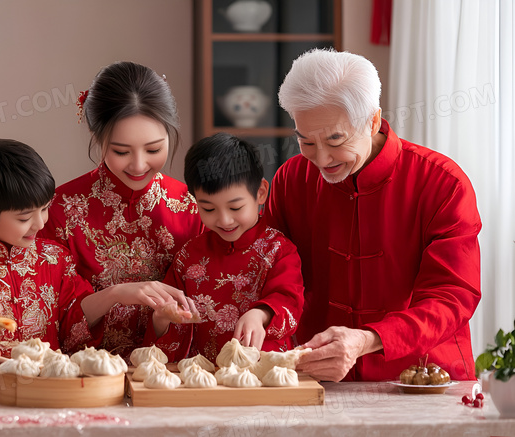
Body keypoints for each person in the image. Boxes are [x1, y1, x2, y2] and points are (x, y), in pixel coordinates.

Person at [264, 49, 481, 382]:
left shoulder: (442, 183)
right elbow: (272, 275)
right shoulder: (291, 180)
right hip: (320, 379)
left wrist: (369, 339)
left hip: (424, 378)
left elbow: (451, 296)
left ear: (373, 121)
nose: (321, 159)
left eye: (335, 139)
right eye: (306, 141)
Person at [39, 61, 204, 359]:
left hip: (172, 382)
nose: (139, 165)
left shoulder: (193, 206)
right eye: (121, 151)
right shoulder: (59, 210)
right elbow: (48, 318)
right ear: (97, 137)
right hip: (85, 379)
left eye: (154, 150)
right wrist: (115, 295)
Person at [0, 140, 108, 386]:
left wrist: (117, 294)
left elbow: (74, 329)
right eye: (25, 217)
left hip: (53, 391)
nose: (40, 223)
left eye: (45, 208)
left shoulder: (56, 258)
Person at [145, 133, 304, 362]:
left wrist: (260, 314)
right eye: (209, 209)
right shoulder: (189, 256)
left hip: (262, 376)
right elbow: (172, 323)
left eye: (235, 207)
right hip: (206, 378)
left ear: (260, 192)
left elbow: (289, 300)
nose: (224, 220)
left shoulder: (278, 250)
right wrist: (163, 318)